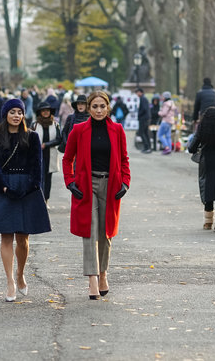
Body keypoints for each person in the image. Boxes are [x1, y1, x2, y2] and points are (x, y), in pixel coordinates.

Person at [0, 98, 51, 302]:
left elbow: (37, 165)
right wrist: (3, 186)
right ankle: (10, 281)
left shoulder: (32, 136)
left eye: (20, 112)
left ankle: (20, 274)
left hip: (27, 188)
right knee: (6, 237)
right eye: (13, 112)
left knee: (23, 238)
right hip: (4, 188)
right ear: (5, 115)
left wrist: (30, 186)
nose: (17, 115)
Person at [62, 91, 131, 300]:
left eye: (102, 106)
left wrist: (126, 183)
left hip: (111, 185)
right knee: (89, 232)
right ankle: (92, 278)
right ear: (88, 108)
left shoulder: (117, 130)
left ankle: (103, 274)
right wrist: (70, 182)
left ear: (108, 107)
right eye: (95, 107)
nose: (99, 110)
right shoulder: (79, 130)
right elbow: (67, 159)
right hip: (86, 184)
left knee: (106, 233)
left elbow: (124, 159)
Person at [31, 102, 62, 202]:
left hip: (50, 154)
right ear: (40, 112)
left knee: (48, 179)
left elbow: (59, 139)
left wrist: (46, 144)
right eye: (43, 110)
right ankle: (38, 199)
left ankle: (46, 200)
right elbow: (29, 139)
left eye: (47, 110)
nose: (45, 112)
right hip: (37, 154)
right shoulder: (34, 125)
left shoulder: (55, 124)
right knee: (39, 177)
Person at [135, 87, 152, 153]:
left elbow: (144, 109)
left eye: (137, 92)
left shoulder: (143, 99)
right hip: (146, 118)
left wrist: (139, 114)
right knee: (145, 133)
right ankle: (148, 147)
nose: (137, 94)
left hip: (143, 118)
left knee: (142, 133)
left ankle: (146, 147)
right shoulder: (143, 98)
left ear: (140, 92)